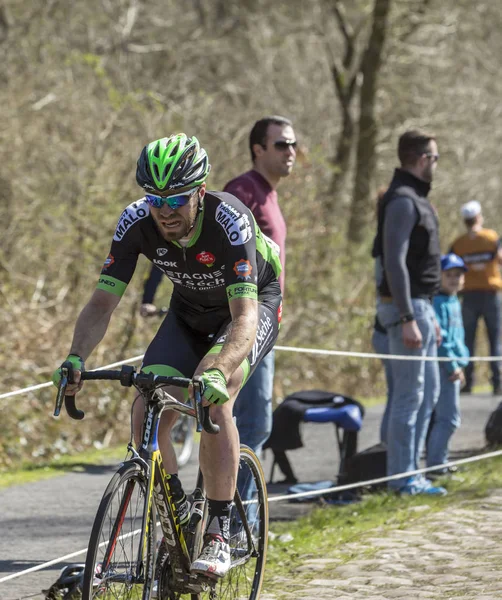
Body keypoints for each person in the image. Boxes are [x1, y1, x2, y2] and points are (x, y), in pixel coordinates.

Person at [52, 133, 283, 578]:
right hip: (188, 310)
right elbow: (102, 303)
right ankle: (177, 516)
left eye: (176, 197)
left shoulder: (229, 220)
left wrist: (216, 370)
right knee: (147, 409)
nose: (165, 209)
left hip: (249, 310)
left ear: (199, 191)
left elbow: (245, 317)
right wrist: (76, 357)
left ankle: (219, 529)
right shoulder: (135, 222)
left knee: (212, 399)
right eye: (155, 198)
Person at [372, 129, 446, 496]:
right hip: (406, 308)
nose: (436, 164)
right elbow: (393, 263)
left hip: (422, 306)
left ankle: (412, 473)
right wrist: (407, 318)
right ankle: (402, 480)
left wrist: (427, 315)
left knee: (428, 392)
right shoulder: (402, 200)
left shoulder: (416, 197)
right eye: (434, 157)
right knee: (409, 396)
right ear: (422, 159)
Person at [224, 115, 295, 460]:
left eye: (293, 144)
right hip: (244, 321)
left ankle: (230, 512)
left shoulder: (270, 194)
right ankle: (233, 514)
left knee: (250, 423)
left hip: (266, 319)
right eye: (281, 144)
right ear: (258, 149)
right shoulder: (243, 190)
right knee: (250, 423)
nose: (291, 151)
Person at [420, 253, 469, 475]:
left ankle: (440, 460)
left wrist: (462, 362)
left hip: (455, 366)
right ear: (438, 276)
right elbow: (443, 340)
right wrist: (453, 366)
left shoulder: (454, 301)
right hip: (444, 368)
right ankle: (436, 466)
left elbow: (459, 339)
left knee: (446, 418)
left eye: (458, 275)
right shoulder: (438, 302)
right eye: (449, 274)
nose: (454, 279)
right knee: (448, 419)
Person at [450, 200, 502, 395]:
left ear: (465, 221)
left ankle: (468, 382)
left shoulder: (459, 244)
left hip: (468, 296)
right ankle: (497, 383)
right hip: (491, 294)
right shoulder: (491, 238)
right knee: (495, 339)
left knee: (467, 340)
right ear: (479, 217)